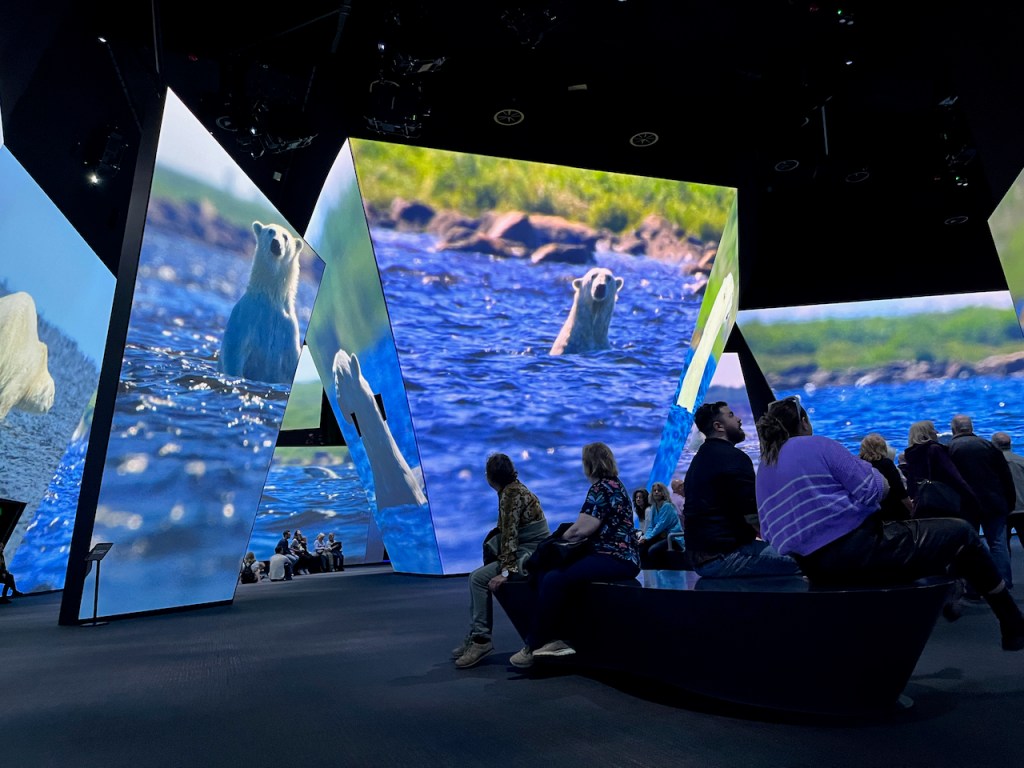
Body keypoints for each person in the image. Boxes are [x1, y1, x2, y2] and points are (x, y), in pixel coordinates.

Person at [754, 395, 1024, 651]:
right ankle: (1012, 623)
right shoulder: (818, 445)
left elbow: (769, 531)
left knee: (928, 542)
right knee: (961, 533)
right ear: (804, 422)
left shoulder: (765, 465)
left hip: (814, 568)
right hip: (863, 550)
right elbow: (875, 489)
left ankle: (945, 594)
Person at [510, 442, 640, 669]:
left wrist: (555, 541)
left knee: (554, 577)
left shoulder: (601, 489)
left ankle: (537, 643)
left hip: (615, 558)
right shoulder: (616, 485)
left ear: (589, 464)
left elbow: (581, 530)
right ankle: (553, 637)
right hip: (624, 556)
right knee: (555, 574)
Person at [452, 453, 550, 669]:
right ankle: (475, 634)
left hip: (530, 553)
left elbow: (510, 539)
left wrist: (505, 573)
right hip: (528, 547)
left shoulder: (510, 496)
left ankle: (481, 640)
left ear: (490, 477)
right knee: (478, 576)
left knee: (477, 579)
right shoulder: (512, 489)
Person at [683, 400, 800, 578]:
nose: (738, 419)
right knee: (804, 561)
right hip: (725, 557)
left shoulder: (700, 459)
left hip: (701, 559)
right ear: (718, 426)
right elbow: (753, 513)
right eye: (730, 415)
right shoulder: (734, 458)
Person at [947, 415, 1016, 588]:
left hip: (967, 505)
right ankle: (1004, 583)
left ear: (954, 429)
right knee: (998, 543)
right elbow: (1005, 476)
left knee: (970, 546)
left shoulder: (950, 449)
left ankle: (975, 585)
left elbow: (948, 480)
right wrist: (1010, 502)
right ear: (971, 427)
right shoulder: (988, 446)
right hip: (994, 502)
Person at [903, 420, 980, 523]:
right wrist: (971, 495)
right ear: (927, 433)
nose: (936, 432)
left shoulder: (910, 454)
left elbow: (911, 479)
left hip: (922, 501)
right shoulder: (935, 449)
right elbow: (952, 474)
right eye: (933, 429)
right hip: (942, 499)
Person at [858, 432, 913, 521]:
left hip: (868, 513)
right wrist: (911, 508)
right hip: (890, 511)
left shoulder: (858, 465)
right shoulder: (886, 464)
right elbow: (899, 490)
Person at [637, 481, 683, 568]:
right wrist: (644, 538)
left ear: (663, 493)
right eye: (654, 490)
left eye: (659, 490)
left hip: (673, 538)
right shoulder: (654, 507)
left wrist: (646, 538)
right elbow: (651, 526)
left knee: (653, 550)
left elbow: (660, 525)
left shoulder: (667, 506)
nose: (656, 492)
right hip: (660, 536)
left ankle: (659, 575)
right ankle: (647, 576)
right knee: (641, 548)